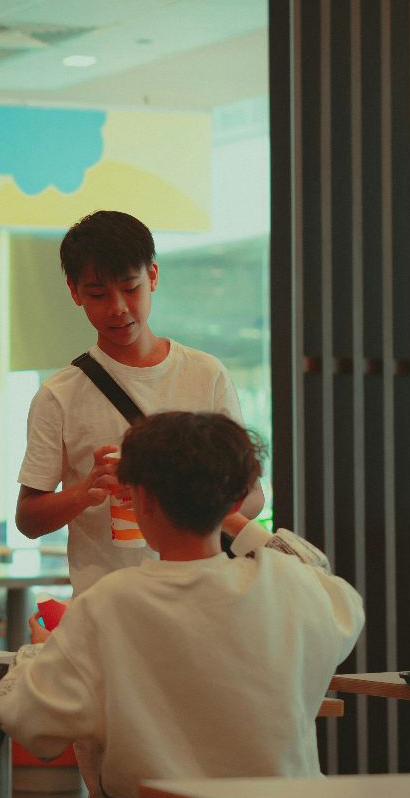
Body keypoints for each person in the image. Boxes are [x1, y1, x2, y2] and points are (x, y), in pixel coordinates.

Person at [0, 412, 365, 798]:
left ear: (137, 499)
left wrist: (38, 652)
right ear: (236, 499)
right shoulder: (290, 586)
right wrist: (235, 521)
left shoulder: (111, 605)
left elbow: (30, 722)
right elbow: (322, 579)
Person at [16, 210, 261, 594]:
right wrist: (84, 492)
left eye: (130, 288)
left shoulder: (205, 373)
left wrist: (185, 505)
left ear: (153, 277)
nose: (118, 307)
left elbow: (252, 498)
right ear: (75, 292)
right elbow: (28, 520)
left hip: (201, 597)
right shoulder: (59, 394)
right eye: (98, 294)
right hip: (106, 606)